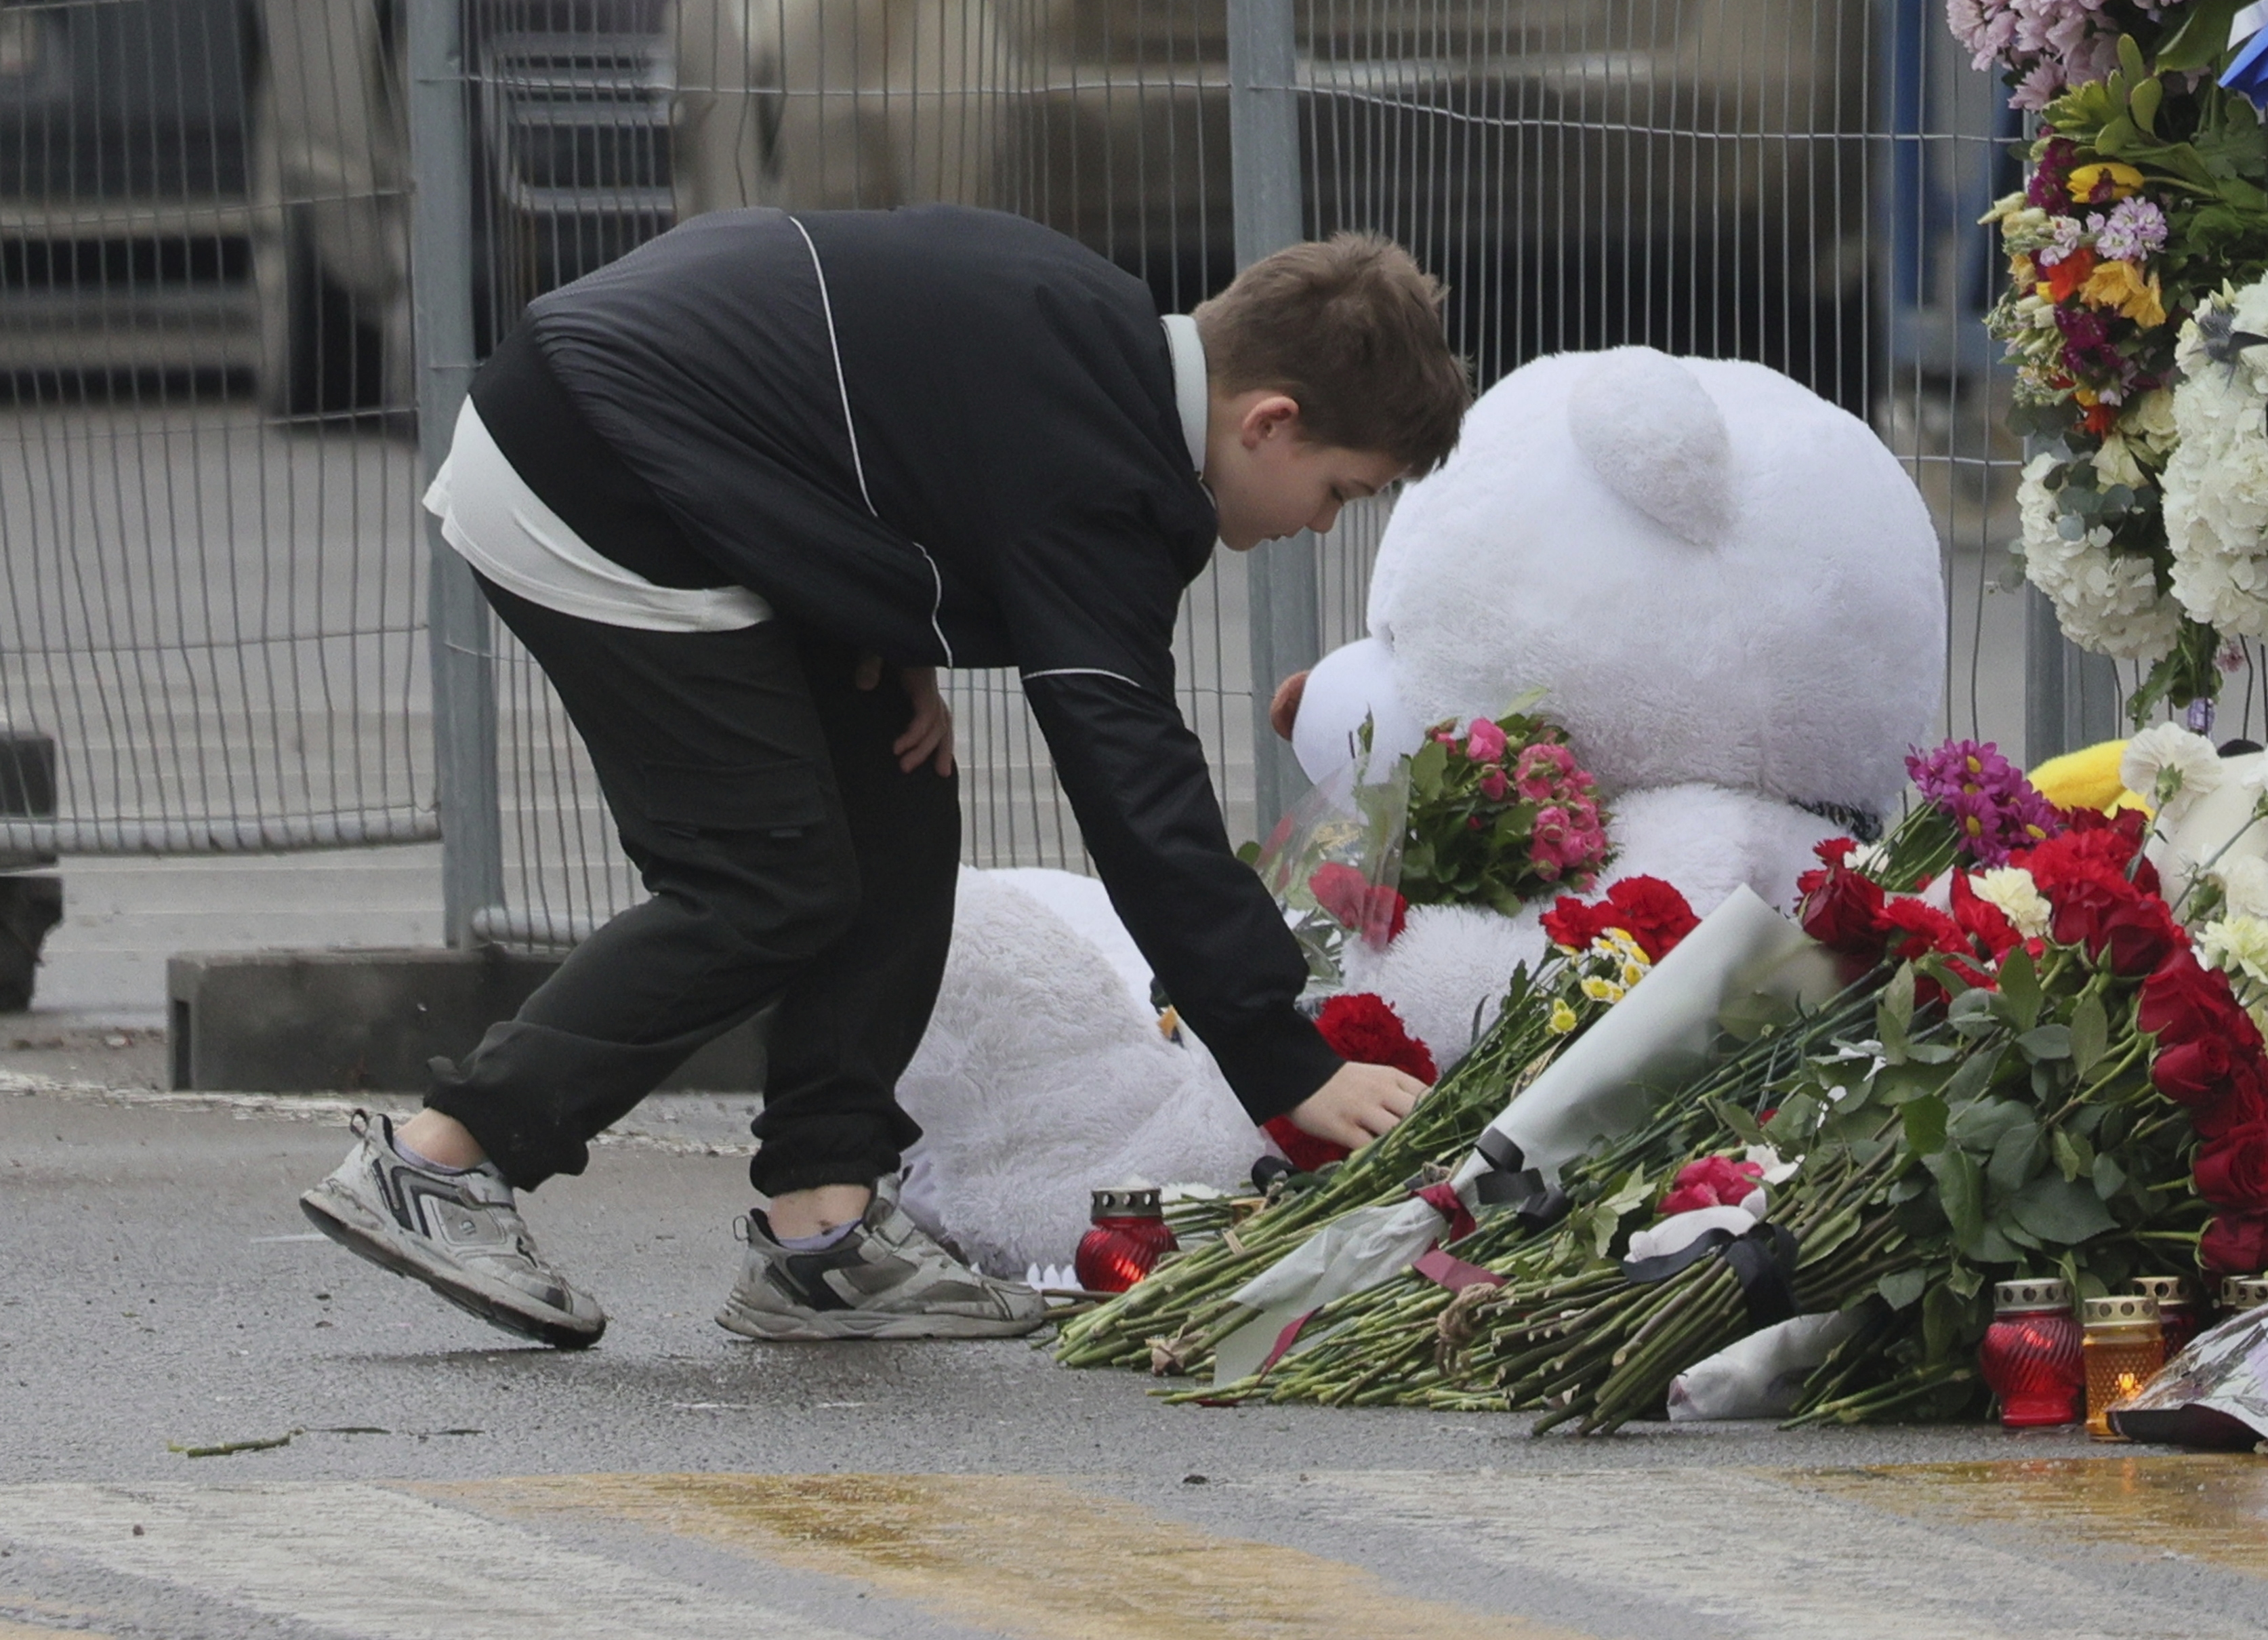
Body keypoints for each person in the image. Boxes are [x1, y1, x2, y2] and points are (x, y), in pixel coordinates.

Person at [302, 207, 1468, 1347]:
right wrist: (1283, 1059)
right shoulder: (1104, 470)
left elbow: (885, 414)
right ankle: (439, 1160)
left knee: (898, 809)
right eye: (1342, 494)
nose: (1324, 529)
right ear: (1269, 422)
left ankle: (823, 1235)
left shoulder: (1096, 333)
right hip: (597, 470)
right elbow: (1133, 783)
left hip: (668, 447)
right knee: (766, 882)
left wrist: (890, 618)